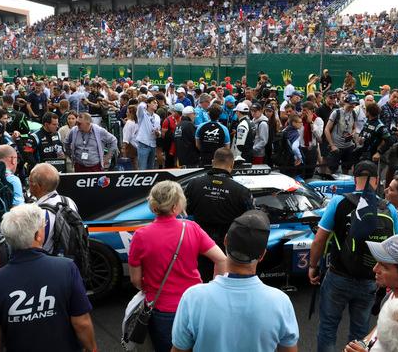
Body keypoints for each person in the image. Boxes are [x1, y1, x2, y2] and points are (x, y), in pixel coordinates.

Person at [171, 210, 299, 352]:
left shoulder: (193, 298)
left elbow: (179, 349)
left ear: (226, 241)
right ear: (262, 255)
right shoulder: (280, 302)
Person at [309, 161, 398, 352]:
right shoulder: (388, 208)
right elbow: (395, 247)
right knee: (360, 332)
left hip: (338, 275)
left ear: (354, 178)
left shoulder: (338, 202)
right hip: (370, 278)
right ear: (376, 180)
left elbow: (319, 240)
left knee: (328, 327)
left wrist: (312, 266)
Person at [0, 204, 98, 352]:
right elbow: (81, 323)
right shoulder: (66, 268)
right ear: (38, 235)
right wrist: (92, 349)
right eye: (43, 227)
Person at [128, 181, 226, 352]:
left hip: (161, 308)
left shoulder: (140, 236)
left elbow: (135, 279)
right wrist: (214, 289)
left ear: (154, 205)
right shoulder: (191, 228)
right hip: (195, 304)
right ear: (175, 206)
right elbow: (222, 260)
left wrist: (149, 287)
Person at [185, 148, 255, 281]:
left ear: (213, 162)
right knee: (223, 282)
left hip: (198, 245)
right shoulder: (241, 191)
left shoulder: (193, 184)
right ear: (232, 165)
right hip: (227, 248)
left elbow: (184, 212)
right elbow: (251, 219)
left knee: (199, 282)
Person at [28, 163, 80, 253]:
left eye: (30, 181)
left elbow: (36, 247)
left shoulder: (38, 212)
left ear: (38, 186)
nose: (29, 184)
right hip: (71, 257)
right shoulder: (69, 201)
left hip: (47, 259)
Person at [324, 93, 359, 174]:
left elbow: (354, 128)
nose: (353, 106)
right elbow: (326, 129)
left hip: (348, 146)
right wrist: (332, 145)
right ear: (345, 102)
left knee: (346, 169)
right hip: (336, 147)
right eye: (351, 104)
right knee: (332, 169)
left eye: (355, 104)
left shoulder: (354, 113)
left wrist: (353, 133)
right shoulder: (336, 113)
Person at [135, 96, 161, 170]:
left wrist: (158, 133)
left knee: (150, 169)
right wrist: (145, 101)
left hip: (153, 144)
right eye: (154, 103)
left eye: (156, 103)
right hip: (143, 144)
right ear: (148, 104)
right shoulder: (142, 114)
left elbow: (159, 131)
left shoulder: (157, 117)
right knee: (142, 168)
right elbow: (140, 106)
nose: (156, 104)